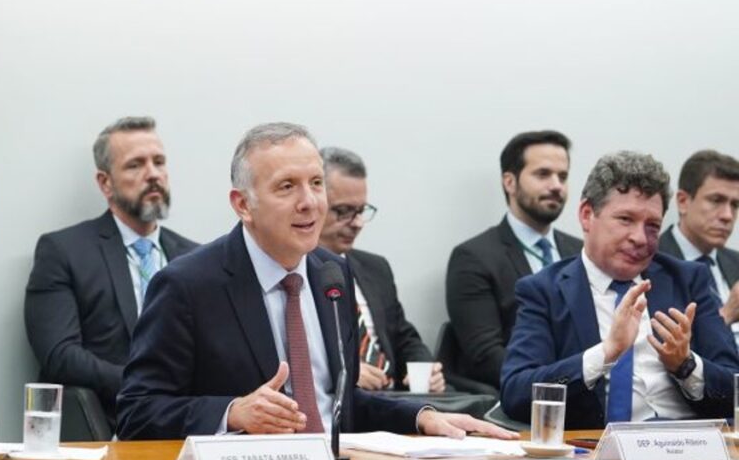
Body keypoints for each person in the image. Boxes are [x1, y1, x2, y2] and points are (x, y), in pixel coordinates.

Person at [116, 122, 515, 441]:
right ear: (243, 205)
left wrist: (424, 417)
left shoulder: (331, 273)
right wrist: (231, 412)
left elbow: (339, 404)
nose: (310, 202)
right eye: (287, 187)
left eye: (316, 183)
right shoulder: (188, 285)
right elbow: (137, 411)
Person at [501, 151, 739, 428]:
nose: (640, 238)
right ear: (587, 215)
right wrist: (606, 353)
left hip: (688, 450)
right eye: (625, 219)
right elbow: (516, 394)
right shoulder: (544, 290)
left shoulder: (687, 280)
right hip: (596, 456)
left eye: (652, 226)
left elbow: (734, 386)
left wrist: (685, 365)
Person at [25, 117, 198, 424]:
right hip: (110, 425)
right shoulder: (64, 251)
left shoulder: (195, 257)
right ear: (105, 183)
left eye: (159, 162)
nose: (153, 174)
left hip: (190, 424)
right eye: (136, 165)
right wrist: (142, 389)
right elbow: (60, 356)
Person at [445, 130, 582, 389]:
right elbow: (484, 355)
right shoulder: (474, 257)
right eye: (543, 174)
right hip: (518, 401)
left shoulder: (582, 252)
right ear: (510, 182)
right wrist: (559, 384)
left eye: (562, 176)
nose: (556, 186)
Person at [318, 146, 443, 393]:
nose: (357, 223)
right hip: (343, 402)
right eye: (343, 211)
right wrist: (346, 370)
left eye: (361, 210)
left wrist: (425, 368)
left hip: (393, 401)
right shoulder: (293, 273)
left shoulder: (375, 268)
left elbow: (404, 337)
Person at [658, 150, 739, 346]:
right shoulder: (652, 263)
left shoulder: (736, 262)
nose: (727, 215)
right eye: (716, 200)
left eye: (735, 204)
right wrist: (725, 315)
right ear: (683, 202)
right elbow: (659, 349)